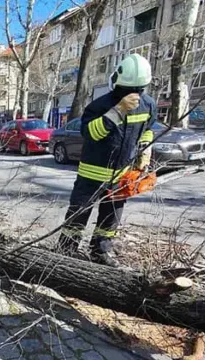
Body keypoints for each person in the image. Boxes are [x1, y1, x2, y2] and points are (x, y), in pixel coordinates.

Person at [58, 53, 157, 267]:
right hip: (91, 176)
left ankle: (100, 251)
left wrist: (145, 151)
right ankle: (65, 251)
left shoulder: (148, 105)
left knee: (110, 218)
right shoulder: (100, 106)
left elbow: (148, 130)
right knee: (78, 215)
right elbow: (91, 133)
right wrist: (118, 111)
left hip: (121, 176)